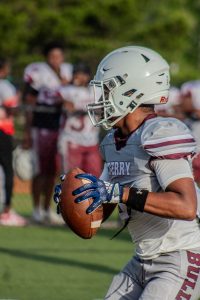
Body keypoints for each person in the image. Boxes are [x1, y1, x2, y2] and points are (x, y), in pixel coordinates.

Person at [54, 46, 200, 299]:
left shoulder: (160, 132)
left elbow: (186, 206)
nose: (100, 98)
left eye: (107, 89)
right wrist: (81, 196)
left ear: (130, 91)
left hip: (180, 257)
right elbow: (103, 206)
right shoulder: (114, 140)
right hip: (142, 260)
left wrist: (118, 192)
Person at [23, 41, 73, 224]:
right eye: (53, 56)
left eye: (59, 56)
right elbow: (29, 101)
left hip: (60, 126)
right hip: (41, 125)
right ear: (46, 57)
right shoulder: (39, 72)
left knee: (53, 170)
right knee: (40, 170)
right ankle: (36, 208)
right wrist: (27, 131)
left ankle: (47, 208)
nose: (56, 60)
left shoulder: (68, 72)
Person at [58, 63, 102, 177]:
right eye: (77, 74)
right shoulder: (67, 90)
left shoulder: (96, 90)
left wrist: (79, 106)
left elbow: (103, 108)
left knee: (94, 178)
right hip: (72, 140)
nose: (79, 77)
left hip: (92, 141)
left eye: (83, 74)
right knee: (71, 178)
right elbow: (66, 105)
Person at [0, 58, 27, 226]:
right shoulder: (4, 85)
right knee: (7, 170)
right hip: (2, 131)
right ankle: (7, 211)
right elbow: (13, 109)